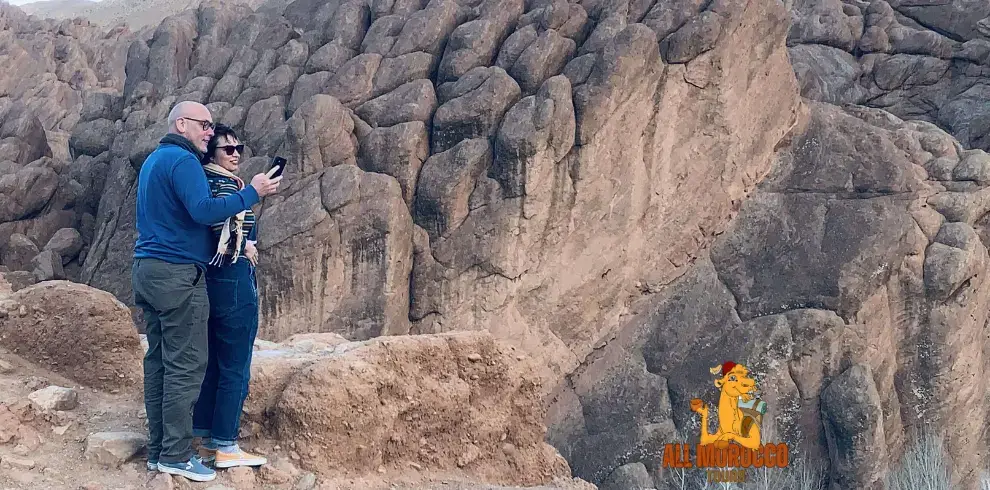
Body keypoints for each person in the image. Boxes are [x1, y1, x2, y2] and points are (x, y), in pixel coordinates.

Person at [132, 101, 281, 482]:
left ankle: (159, 450)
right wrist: (253, 193)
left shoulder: (155, 160)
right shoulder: (183, 162)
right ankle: (177, 456)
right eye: (204, 125)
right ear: (181, 124)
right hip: (177, 274)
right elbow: (203, 211)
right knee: (187, 365)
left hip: (146, 268)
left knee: (160, 362)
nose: (209, 132)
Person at [191, 123, 267, 469]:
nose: (235, 154)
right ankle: (226, 444)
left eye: (239, 148)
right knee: (235, 365)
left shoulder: (207, 181)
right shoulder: (222, 184)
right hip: (232, 281)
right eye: (228, 149)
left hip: (213, 282)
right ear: (212, 154)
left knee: (217, 363)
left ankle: (204, 435)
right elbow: (220, 225)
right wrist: (245, 245)